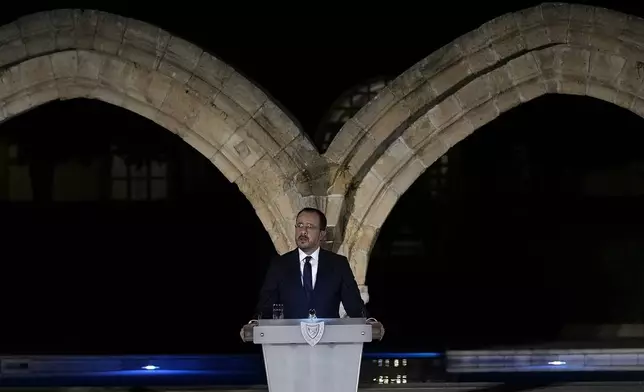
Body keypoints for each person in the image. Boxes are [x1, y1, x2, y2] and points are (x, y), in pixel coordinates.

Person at [254, 207, 367, 319]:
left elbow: (355, 307)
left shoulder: (338, 264)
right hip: (290, 336)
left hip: (329, 335)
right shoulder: (279, 265)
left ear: (321, 234)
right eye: (300, 225)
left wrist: (369, 323)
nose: (303, 231)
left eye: (310, 227)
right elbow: (265, 308)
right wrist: (253, 325)